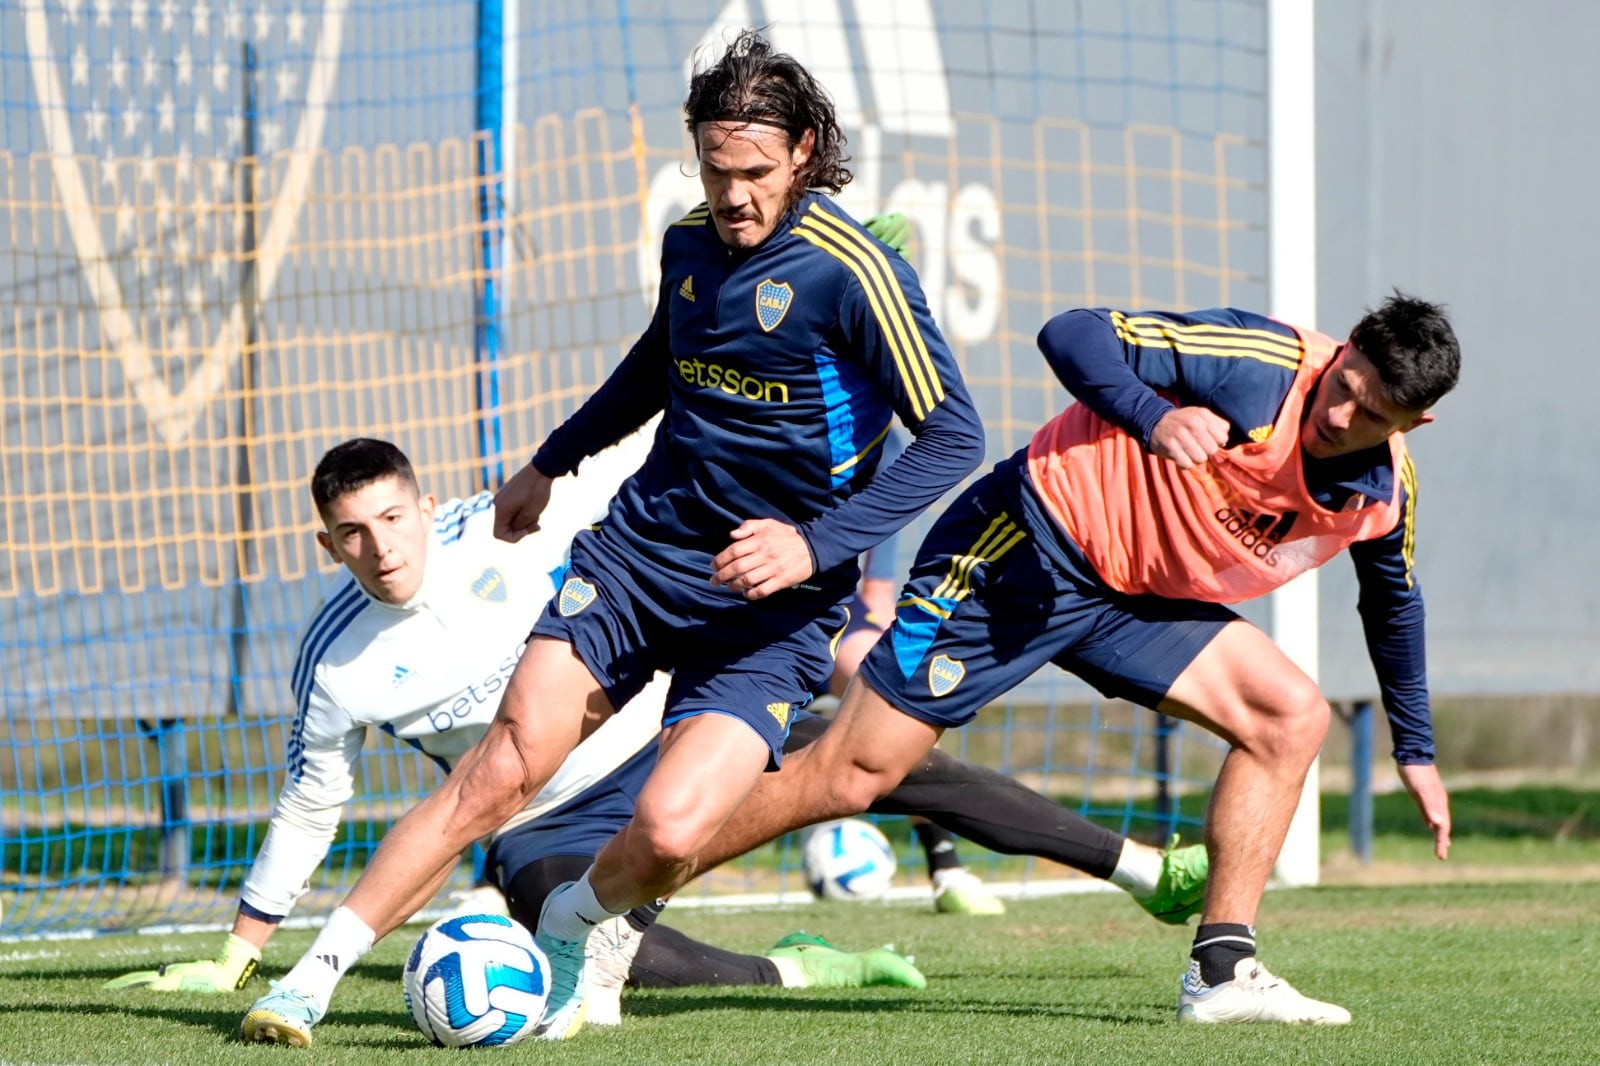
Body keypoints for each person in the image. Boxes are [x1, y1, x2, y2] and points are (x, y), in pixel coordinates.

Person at [237, 28, 991, 1042]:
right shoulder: (691, 243)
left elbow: (954, 435)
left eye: (755, 175)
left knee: (674, 830)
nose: (732, 199)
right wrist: (551, 460)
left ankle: (570, 923)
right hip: (642, 557)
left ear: (806, 151)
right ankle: (311, 981)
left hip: (774, 607)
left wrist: (815, 546)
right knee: (503, 765)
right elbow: (656, 363)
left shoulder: (852, 272)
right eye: (716, 172)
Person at [681, 294, 1461, 1026]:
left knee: (1291, 718)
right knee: (854, 773)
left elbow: (1393, 602)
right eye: (1345, 385)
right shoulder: (1258, 364)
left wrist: (1416, 750)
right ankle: (621, 904)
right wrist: (1155, 418)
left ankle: (1221, 972)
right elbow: (1073, 331)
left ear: (1414, 423)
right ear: (1347, 348)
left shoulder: (1384, 493)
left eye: (1371, 413)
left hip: (1134, 598)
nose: (1339, 413)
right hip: (1027, 547)